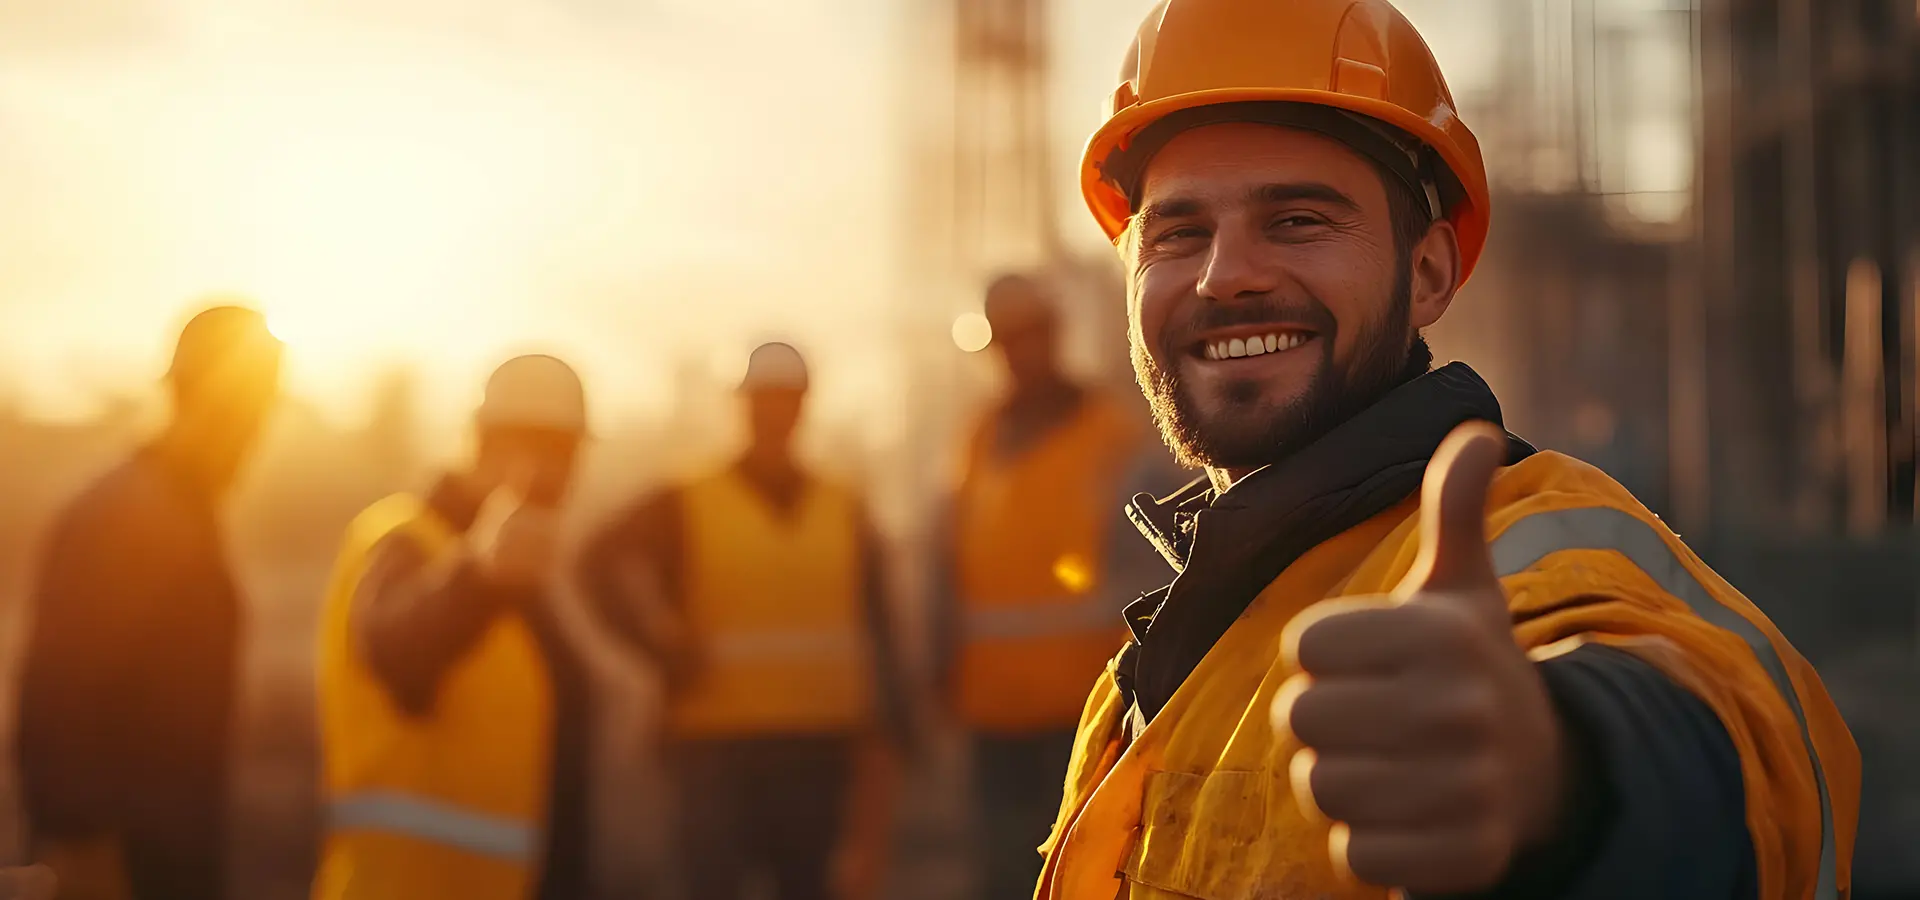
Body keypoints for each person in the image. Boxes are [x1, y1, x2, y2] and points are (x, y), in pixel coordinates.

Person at [1035, 2, 1860, 899]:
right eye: (1178, 233)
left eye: (1299, 220)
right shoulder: (1154, 667)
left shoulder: (1527, 539)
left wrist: (1560, 776)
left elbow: (1733, 748)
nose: (1225, 273)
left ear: (1427, 274)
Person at [577, 342, 911, 900]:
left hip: (818, 747)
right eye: (763, 400)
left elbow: (879, 620)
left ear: (804, 406)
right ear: (742, 406)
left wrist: (896, 722)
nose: (774, 412)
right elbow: (596, 562)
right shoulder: (685, 501)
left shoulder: (844, 507)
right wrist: (659, 649)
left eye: (786, 399)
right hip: (711, 748)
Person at [312, 353, 631, 900]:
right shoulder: (406, 540)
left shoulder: (522, 574)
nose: (567, 476)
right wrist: (478, 578)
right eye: (561, 453)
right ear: (496, 444)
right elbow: (397, 656)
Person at [17, 303, 284, 900]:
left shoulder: (182, 513)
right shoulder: (127, 516)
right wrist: (82, 856)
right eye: (247, 410)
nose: (256, 431)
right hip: (123, 870)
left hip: (170, 862)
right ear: (200, 399)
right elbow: (57, 701)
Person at [928, 274, 1175, 900]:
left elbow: (1158, 574)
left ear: (1053, 336)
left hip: (1090, 710)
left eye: (1029, 336)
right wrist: (938, 669)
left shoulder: (1114, 438)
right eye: (1006, 341)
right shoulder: (977, 439)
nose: (1018, 352)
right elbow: (949, 564)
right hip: (992, 711)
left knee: (1092, 873)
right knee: (1003, 873)